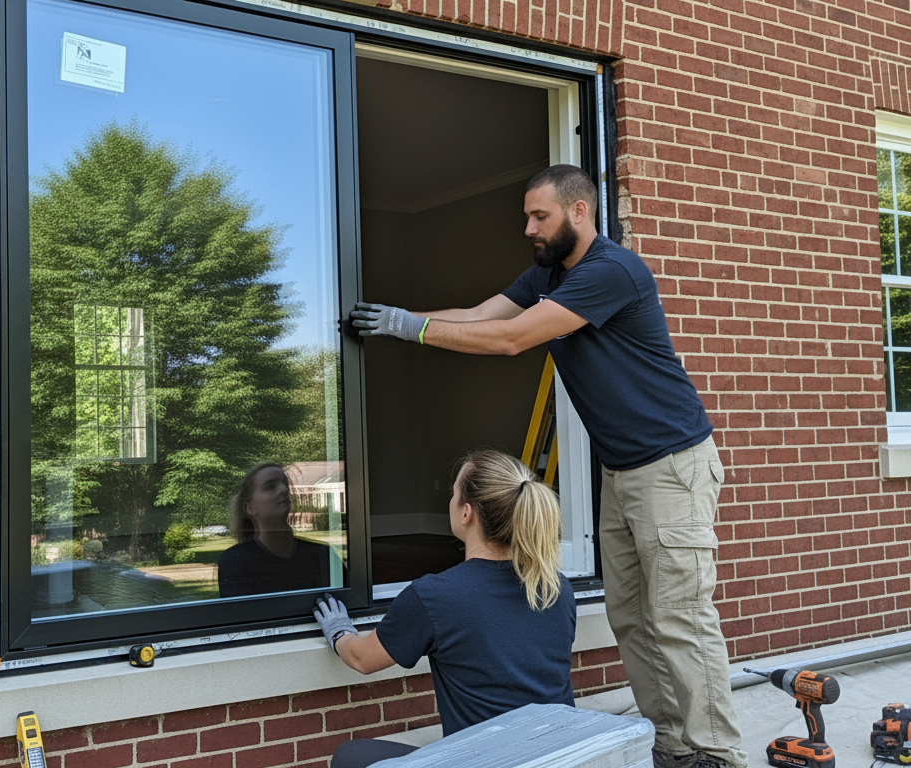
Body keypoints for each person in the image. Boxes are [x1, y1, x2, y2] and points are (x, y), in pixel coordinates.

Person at [348, 164, 744, 768]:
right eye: (527, 217)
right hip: (621, 471)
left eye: (541, 216)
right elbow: (484, 314)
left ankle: (718, 754)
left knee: (680, 618)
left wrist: (415, 329)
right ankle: (672, 747)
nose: (530, 228)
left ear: (579, 211)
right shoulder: (548, 274)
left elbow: (512, 339)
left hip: (671, 467)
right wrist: (402, 321)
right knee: (632, 619)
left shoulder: (611, 271)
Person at [313, 450, 575, 768]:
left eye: (453, 493)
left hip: (484, 763)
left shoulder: (436, 597)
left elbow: (361, 658)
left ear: (466, 513)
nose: (450, 501)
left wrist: (339, 629)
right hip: (560, 759)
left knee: (350, 756)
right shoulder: (557, 588)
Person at [218, 463, 341, 597]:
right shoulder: (235, 561)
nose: (284, 490)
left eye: (285, 484)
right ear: (250, 508)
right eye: (270, 487)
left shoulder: (323, 555)